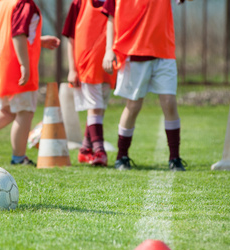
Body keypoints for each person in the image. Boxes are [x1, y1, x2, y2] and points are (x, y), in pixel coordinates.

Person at [102, 0, 187, 171]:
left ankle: (175, 158)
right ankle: (122, 157)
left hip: (164, 50)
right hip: (135, 51)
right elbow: (111, 16)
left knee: (169, 103)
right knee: (133, 106)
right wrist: (108, 50)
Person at [0, 0, 60, 166]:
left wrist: (39, 41)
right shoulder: (24, 4)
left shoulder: (5, 2)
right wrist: (24, 64)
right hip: (16, 66)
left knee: (6, 110)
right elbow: (18, 34)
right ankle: (19, 158)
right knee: (25, 111)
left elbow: (10, 32)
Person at [62, 0, 116, 167]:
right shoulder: (78, 3)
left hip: (108, 64)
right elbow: (70, 38)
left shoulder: (114, 2)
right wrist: (72, 69)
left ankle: (85, 150)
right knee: (94, 107)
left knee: (98, 109)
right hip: (87, 64)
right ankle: (100, 151)